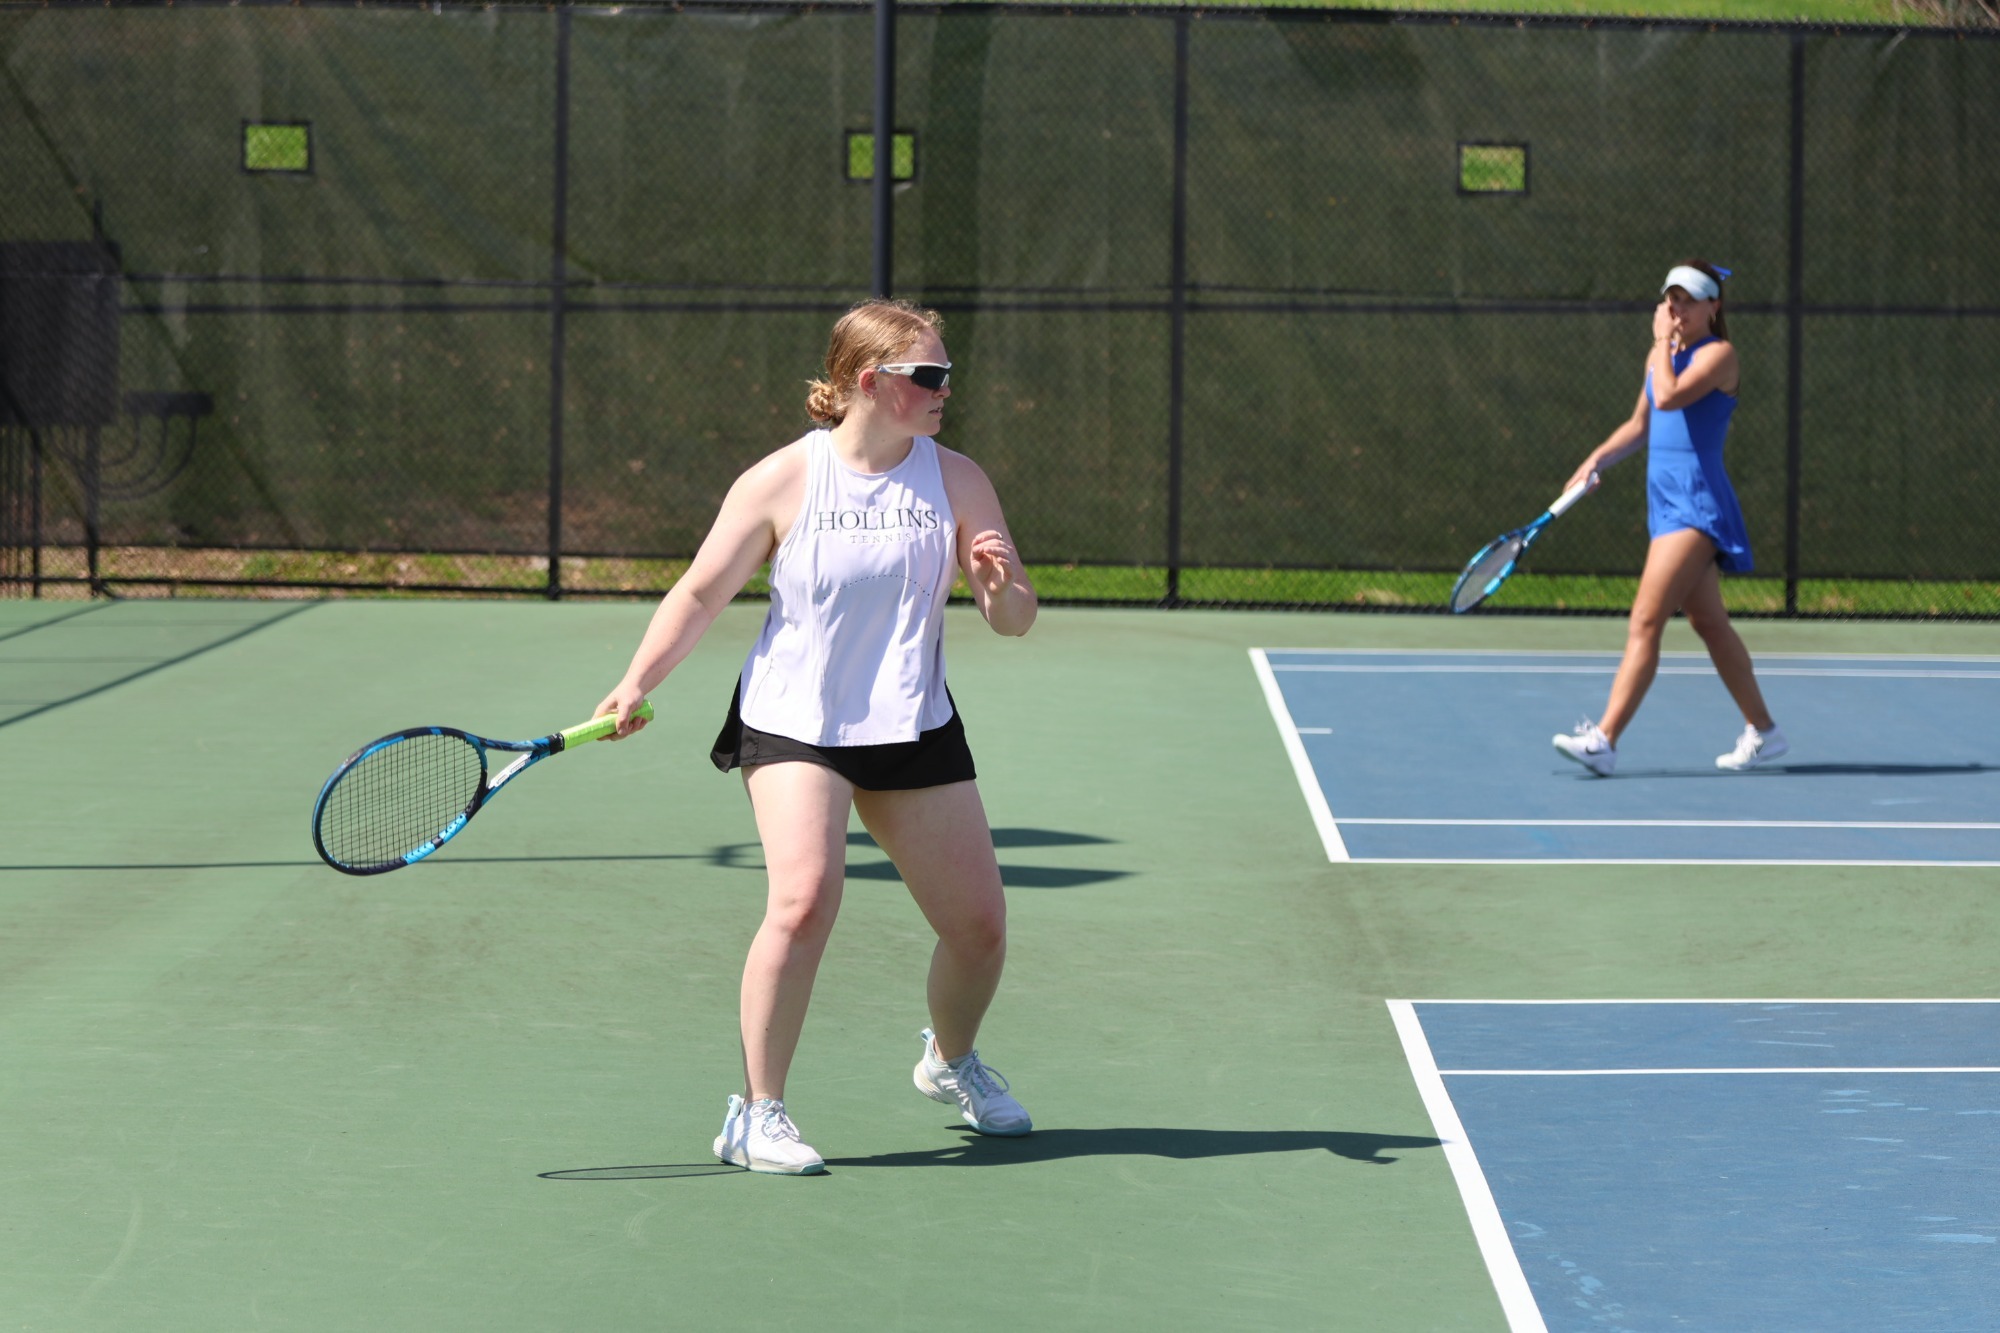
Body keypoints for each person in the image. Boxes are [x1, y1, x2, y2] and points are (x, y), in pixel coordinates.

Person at [593, 298, 1037, 1175]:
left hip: (912, 723)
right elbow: (700, 593)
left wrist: (999, 584)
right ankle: (756, 1113)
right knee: (802, 901)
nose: (947, 389)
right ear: (869, 381)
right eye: (930, 375)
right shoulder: (781, 480)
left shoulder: (957, 479)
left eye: (947, 373)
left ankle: (950, 1061)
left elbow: (1013, 619)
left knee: (980, 926)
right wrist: (636, 680)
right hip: (796, 722)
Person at [1551, 261, 1787, 778]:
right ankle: (1764, 731)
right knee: (1710, 624)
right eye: (1671, 299)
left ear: (1713, 307)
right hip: (1664, 504)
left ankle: (1604, 740)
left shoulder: (1720, 356)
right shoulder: (1661, 358)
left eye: (1688, 300)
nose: (1677, 308)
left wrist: (1661, 341)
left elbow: (1671, 395)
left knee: (1645, 619)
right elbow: (1641, 425)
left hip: (1695, 505)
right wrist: (1595, 460)